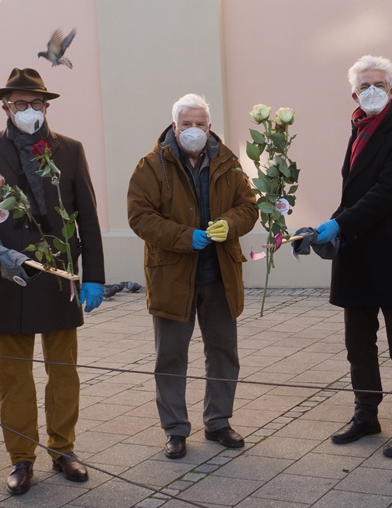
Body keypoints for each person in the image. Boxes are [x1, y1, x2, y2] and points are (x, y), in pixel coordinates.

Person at [0, 67, 106, 495]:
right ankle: (21, 457)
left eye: (36, 103)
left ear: (47, 105)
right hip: (10, 277)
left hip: (59, 276)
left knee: (63, 371)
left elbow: (89, 219)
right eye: (20, 104)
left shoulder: (70, 150)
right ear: (6, 107)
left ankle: (63, 449)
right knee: (14, 375)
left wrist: (93, 277)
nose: (28, 110)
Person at [313, 55, 392, 458]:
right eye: (365, 86)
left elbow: (386, 193)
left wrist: (340, 224)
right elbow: (354, 195)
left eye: (379, 84)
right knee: (358, 344)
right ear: (354, 93)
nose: (372, 91)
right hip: (357, 255)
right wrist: (325, 226)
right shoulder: (358, 130)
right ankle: (367, 415)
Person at [127, 93, 257, 460]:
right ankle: (175, 430)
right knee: (170, 357)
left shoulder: (229, 163)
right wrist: (185, 237)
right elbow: (140, 216)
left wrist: (229, 224)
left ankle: (218, 421)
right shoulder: (151, 166)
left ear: (210, 127)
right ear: (174, 126)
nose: (194, 131)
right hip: (172, 275)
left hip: (219, 274)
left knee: (223, 353)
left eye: (201, 124)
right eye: (187, 124)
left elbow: (249, 207)